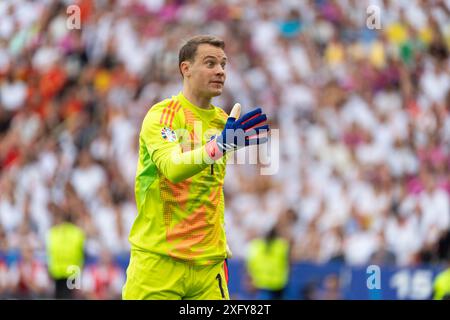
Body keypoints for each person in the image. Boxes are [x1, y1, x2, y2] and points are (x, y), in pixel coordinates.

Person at [122, 35, 270, 300]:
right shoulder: (163, 115)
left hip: (208, 268)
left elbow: (214, 186)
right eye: (210, 63)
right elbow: (172, 168)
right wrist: (219, 147)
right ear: (185, 68)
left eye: (223, 64)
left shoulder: (224, 122)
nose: (220, 71)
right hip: (158, 263)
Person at [46, 204, 85, 299]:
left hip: (57, 272)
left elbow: (50, 253)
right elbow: (81, 255)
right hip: (72, 272)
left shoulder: (53, 233)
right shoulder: (78, 232)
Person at [246, 226, 290, 300]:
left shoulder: (256, 245)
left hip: (264, 283)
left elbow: (250, 264)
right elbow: (288, 263)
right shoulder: (281, 245)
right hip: (275, 283)